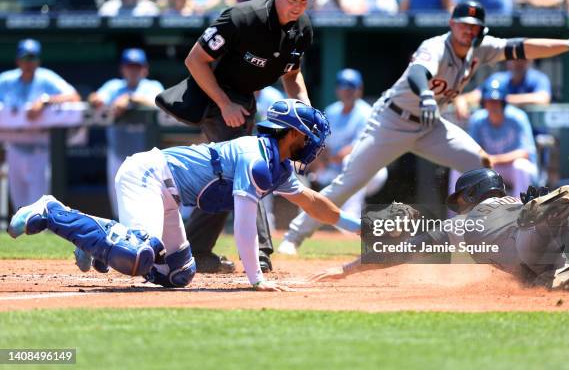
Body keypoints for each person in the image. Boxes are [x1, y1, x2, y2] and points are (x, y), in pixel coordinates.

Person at [281, 0, 569, 249]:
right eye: (463, 24)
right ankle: (293, 238)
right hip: (392, 122)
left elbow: (520, 46)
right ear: (452, 23)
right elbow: (419, 73)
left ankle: (498, 233)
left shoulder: (482, 47)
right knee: (348, 183)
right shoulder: (437, 45)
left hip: (429, 124)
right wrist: (424, 96)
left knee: (480, 164)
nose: (468, 30)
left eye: (474, 26)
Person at [9, 100, 361, 292]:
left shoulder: (279, 164)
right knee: (135, 257)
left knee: (178, 274)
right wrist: (256, 280)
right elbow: (243, 224)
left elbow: (313, 203)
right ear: (292, 134)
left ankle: (96, 237)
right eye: (309, 134)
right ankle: (52, 211)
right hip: (147, 175)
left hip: (167, 195)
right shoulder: (257, 160)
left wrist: (356, 228)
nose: (314, 142)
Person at [180, 0, 316, 274]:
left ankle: (195, 251)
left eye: (305, 0)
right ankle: (260, 251)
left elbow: (292, 75)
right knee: (249, 165)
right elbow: (195, 60)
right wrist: (224, 103)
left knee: (225, 178)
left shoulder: (302, 28)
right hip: (216, 96)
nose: (299, 6)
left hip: (246, 100)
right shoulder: (242, 17)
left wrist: (304, 110)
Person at [311, 168, 569, 292]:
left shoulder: (463, 222)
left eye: (460, 199)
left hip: (525, 241)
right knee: (551, 265)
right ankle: (568, 257)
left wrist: (348, 268)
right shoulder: (511, 201)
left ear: (473, 194)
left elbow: (405, 249)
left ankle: (546, 222)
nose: (458, 206)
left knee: (528, 248)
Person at [278, 69, 387, 254]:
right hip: (335, 170)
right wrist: (317, 162)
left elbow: (357, 147)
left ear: (359, 90)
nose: (347, 91)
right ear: (337, 89)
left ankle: (351, 215)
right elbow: (321, 144)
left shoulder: (366, 112)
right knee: (305, 171)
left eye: (351, 87)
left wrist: (329, 158)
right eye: (343, 87)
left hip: (372, 173)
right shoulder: (332, 111)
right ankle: (341, 220)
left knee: (351, 161)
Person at [0, 39, 81, 210]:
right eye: (25, 58)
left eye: (32, 58)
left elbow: (74, 96)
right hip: (13, 147)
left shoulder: (46, 78)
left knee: (37, 205)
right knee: (19, 205)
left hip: (40, 147)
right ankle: (24, 236)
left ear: (38, 60)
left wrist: (45, 100)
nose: (28, 63)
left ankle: (39, 234)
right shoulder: (7, 80)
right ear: (18, 61)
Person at [88, 48, 164, 217]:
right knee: (118, 203)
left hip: (145, 156)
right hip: (118, 153)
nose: (133, 70)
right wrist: (97, 100)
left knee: (146, 202)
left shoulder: (152, 86)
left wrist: (130, 99)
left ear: (145, 69)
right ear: (123, 68)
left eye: (137, 66)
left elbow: (160, 103)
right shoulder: (113, 86)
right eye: (130, 66)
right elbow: (95, 98)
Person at [461, 78, 538, 198]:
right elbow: (472, 150)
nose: (493, 104)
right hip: (487, 167)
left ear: (503, 102)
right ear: (483, 102)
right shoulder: (478, 119)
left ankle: (521, 212)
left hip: (510, 168)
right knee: (458, 168)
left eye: (497, 101)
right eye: (489, 100)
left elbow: (525, 153)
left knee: (522, 166)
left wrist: (494, 159)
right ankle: (458, 215)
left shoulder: (517, 117)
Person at [454, 59, 552, 120]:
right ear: (507, 61)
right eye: (514, 59)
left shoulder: (538, 78)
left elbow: (543, 99)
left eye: (522, 59)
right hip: (501, 134)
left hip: (533, 131)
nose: (517, 63)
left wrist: (503, 99)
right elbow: (477, 96)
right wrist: (461, 100)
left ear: (529, 61)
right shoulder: (499, 79)